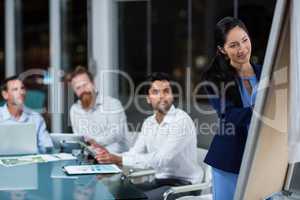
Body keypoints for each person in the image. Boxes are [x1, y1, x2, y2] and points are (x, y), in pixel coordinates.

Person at [91, 72, 203, 200]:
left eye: (166, 91)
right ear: (148, 98)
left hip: (185, 185)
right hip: (161, 181)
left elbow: (161, 160)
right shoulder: (149, 123)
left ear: (172, 96)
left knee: (136, 198)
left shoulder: (181, 121)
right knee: (115, 192)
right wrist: (109, 158)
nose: (162, 96)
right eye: (155, 92)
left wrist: (118, 159)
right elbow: (134, 152)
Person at [202, 16, 262, 200]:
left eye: (245, 40)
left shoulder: (265, 71)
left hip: (262, 155)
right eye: (234, 45)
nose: (242, 49)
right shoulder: (214, 78)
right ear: (222, 49)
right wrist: (260, 111)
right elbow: (228, 114)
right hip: (230, 158)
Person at [67, 66, 129, 153]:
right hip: (90, 159)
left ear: (93, 83)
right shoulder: (74, 110)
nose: (83, 90)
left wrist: (94, 142)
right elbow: (79, 138)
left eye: (85, 85)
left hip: (116, 158)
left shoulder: (113, 104)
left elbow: (116, 134)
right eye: (78, 88)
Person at [0, 75, 53, 153]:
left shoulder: (36, 118)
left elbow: (47, 146)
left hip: (31, 163)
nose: (21, 92)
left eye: (22, 88)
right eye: (15, 89)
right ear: (5, 95)